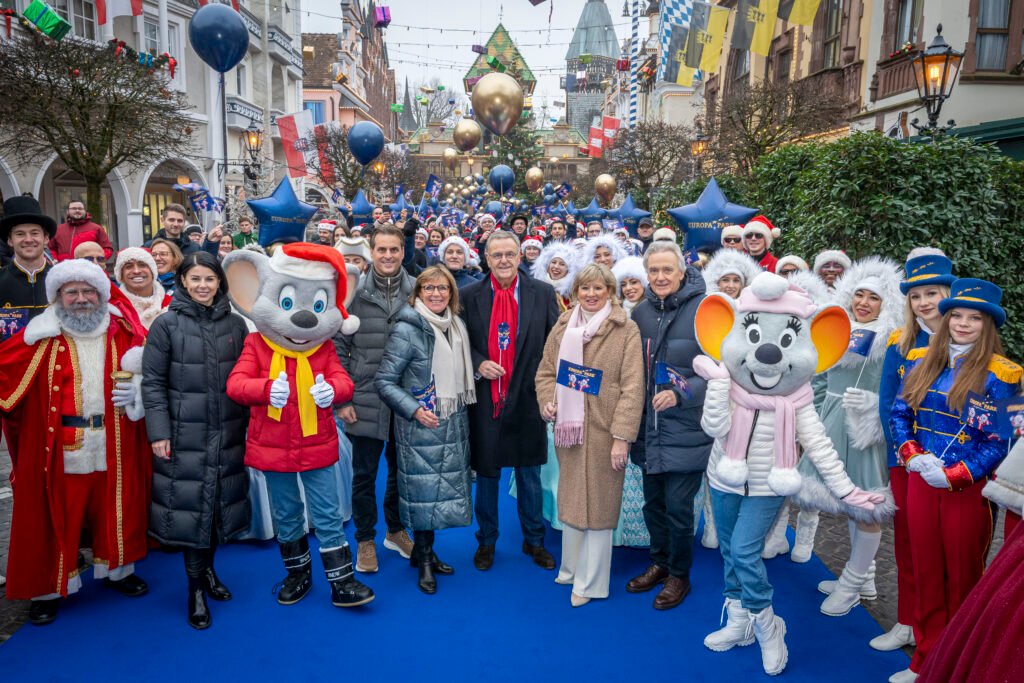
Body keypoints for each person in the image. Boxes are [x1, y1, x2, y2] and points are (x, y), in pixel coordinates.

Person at [0, 259, 150, 625]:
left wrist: (138, 392)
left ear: (101, 294)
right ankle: (48, 589)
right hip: (62, 447)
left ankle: (118, 572)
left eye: (88, 292)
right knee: (56, 516)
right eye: (72, 293)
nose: (81, 299)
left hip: (113, 438)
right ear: (58, 297)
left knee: (116, 507)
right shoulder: (41, 334)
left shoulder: (122, 329)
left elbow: (150, 369)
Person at [887, 278, 1020, 683]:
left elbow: (1001, 440)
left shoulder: (1005, 374)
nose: (962, 324)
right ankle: (925, 659)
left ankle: (957, 663)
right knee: (926, 571)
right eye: (956, 315)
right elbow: (899, 415)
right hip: (920, 481)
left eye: (974, 318)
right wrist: (912, 457)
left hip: (967, 490)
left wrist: (956, 476)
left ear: (988, 325)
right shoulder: (918, 358)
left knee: (963, 575)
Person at [141, 252, 250, 629]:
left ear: (220, 282)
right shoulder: (166, 326)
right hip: (184, 434)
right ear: (183, 281)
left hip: (229, 430)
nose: (203, 285)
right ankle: (195, 590)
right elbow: (152, 384)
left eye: (210, 279)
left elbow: (246, 378)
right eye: (196, 279)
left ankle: (209, 573)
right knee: (191, 511)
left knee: (216, 507)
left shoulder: (237, 325)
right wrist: (158, 432)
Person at [793, 257, 903, 616]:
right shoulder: (837, 332)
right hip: (832, 424)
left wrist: (874, 409)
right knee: (849, 506)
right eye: (859, 295)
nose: (864, 303)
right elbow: (821, 379)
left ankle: (852, 584)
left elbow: (900, 391)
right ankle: (865, 576)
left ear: (886, 303)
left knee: (866, 506)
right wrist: (813, 419)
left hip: (866, 432)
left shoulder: (894, 342)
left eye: (873, 297)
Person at [535, 264, 644, 606]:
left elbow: (633, 388)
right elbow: (546, 372)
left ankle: (592, 582)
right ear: (576, 292)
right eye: (585, 288)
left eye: (599, 288)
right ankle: (570, 567)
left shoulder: (626, 329)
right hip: (570, 429)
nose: (592, 294)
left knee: (599, 507)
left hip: (604, 430)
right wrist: (548, 401)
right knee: (571, 498)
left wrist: (622, 437)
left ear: (610, 292)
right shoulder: (564, 324)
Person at [461, 231, 559, 571]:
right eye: (496, 255)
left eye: (510, 254)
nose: (503, 260)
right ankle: (486, 541)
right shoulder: (468, 295)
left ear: (520, 256)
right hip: (486, 399)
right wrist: (477, 362)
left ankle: (534, 540)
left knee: (529, 473)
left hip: (528, 397)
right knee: (487, 475)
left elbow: (553, 345)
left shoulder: (543, 293)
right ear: (486, 259)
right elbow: (460, 342)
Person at [375, 266, 476, 594]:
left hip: (451, 420)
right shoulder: (408, 329)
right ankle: (424, 560)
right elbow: (384, 381)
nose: (436, 294)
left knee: (437, 495)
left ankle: (425, 552)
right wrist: (415, 409)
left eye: (442, 288)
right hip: (420, 425)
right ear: (417, 294)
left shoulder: (456, 325)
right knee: (422, 496)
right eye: (429, 288)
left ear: (451, 293)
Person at [873, 248, 955, 653]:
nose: (924, 303)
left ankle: (945, 636)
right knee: (907, 546)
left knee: (947, 554)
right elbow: (888, 404)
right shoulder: (900, 343)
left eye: (932, 293)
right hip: (906, 463)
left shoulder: (969, 336)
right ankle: (907, 622)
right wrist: (903, 456)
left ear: (949, 293)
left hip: (957, 467)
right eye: (916, 295)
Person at [626, 240, 711, 610]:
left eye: (667, 270)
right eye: (654, 271)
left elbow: (723, 371)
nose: (660, 277)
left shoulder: (706, 310)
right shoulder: (640, 312)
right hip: (649, 427)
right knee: (653, 505)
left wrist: (682, 393)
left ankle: (679, 574)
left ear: (681, 271)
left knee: (678, 507)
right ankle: (659, 562)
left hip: (687, 427)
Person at [335, 224, 416, 572]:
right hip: (364, 398)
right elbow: (337, 348)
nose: (387, 256)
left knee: (401, 473)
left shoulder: (418, 291)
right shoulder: (351, 293)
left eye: (394, 250)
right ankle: (365, 539)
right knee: (364, 475)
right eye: (381, 250)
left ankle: (396, 531)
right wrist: (342, 399)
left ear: (402, 252)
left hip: (405, 399)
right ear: (372, 252)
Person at [0, 196, 56, 328]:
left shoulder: (62, 282)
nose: (28, 239)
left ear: (46, 238)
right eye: (20, 234)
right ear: (10, 240)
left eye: (35, 233)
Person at [115, 247, 172, 330]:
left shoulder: (171, 305)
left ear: (153, 271)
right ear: (121, 275)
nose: (136, 271)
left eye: (142, 265)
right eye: (129, 266)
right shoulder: (113, 309)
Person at [49, 200, 113, 262]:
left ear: (85, 211)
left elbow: (107, 249)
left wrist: (97, 261)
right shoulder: (58, 229)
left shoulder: (97, 228)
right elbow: (51, 249)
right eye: (74, 208)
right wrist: (54, 260)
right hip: (64, 270)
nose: (77, 210)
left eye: (80, 208)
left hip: (89, 270)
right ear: (67, 211)